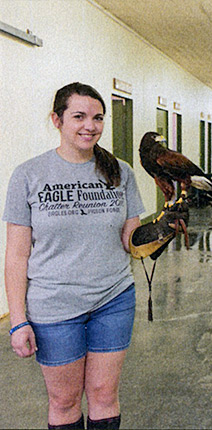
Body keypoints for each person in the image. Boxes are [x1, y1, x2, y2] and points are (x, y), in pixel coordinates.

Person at [3, 82, 145, 430]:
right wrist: (18, 320)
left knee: (103, 394)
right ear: (57, 120)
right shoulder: (28, 175)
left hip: (113, 299)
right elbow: (16, 256)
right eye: (79, 116)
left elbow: (132, 241)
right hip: (54, 305)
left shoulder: (121, 172)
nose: (90, 126)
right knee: (64, 401)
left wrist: (163, 230)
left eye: (98, 118)